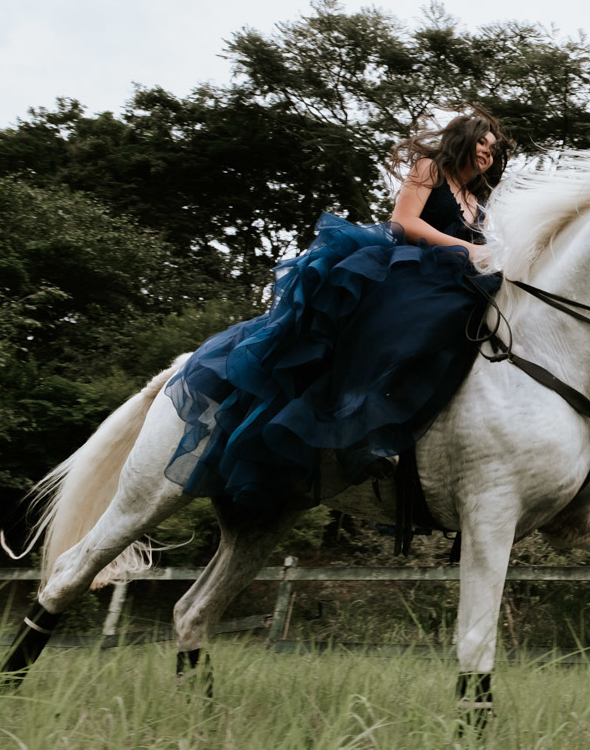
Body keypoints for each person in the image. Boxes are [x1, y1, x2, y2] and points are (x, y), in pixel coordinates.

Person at [163, 108, 511, 508]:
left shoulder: (478, 200)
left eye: (492, 147)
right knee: (412, 319)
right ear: (464, 139)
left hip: (458, 279)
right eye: (482, 142)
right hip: (410, 267)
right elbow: (405, 223)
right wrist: (469, 248)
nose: (487, 151)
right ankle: (366, 432)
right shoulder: (430, 168)